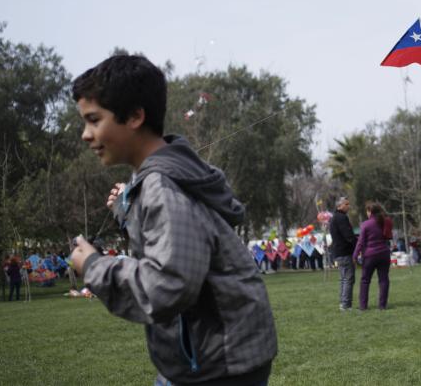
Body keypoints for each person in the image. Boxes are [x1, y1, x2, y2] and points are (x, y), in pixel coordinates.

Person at [69, 54, 276, 386]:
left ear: (136, 115)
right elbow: (178, 240)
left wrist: (93, 266)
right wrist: (128, 210)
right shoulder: (163, 180)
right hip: (211, 359)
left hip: (218, 366)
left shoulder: (162, 187)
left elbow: (168, 285)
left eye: (94, 120)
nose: (85, 134)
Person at [352, 201, 391, 310]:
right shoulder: (386, 222)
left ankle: (363, 306)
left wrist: (355, 255)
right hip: (384, 253)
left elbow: (360, 242)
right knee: (383, 279)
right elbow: (388, 236)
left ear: (369, 212)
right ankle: (382, 305)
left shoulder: (365, 224)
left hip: (370, 255)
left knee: (365, 280)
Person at [329, 196, 357, 311]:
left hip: (338, 252)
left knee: (343, 278)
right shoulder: (341, 218)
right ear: (339, 205)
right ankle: (346, 305)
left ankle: (342, 303)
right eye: (346, 204)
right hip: (344, 252)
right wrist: (357, 245)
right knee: (348, 279)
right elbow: (348, 235)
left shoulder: (334, 217)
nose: (348, 206)